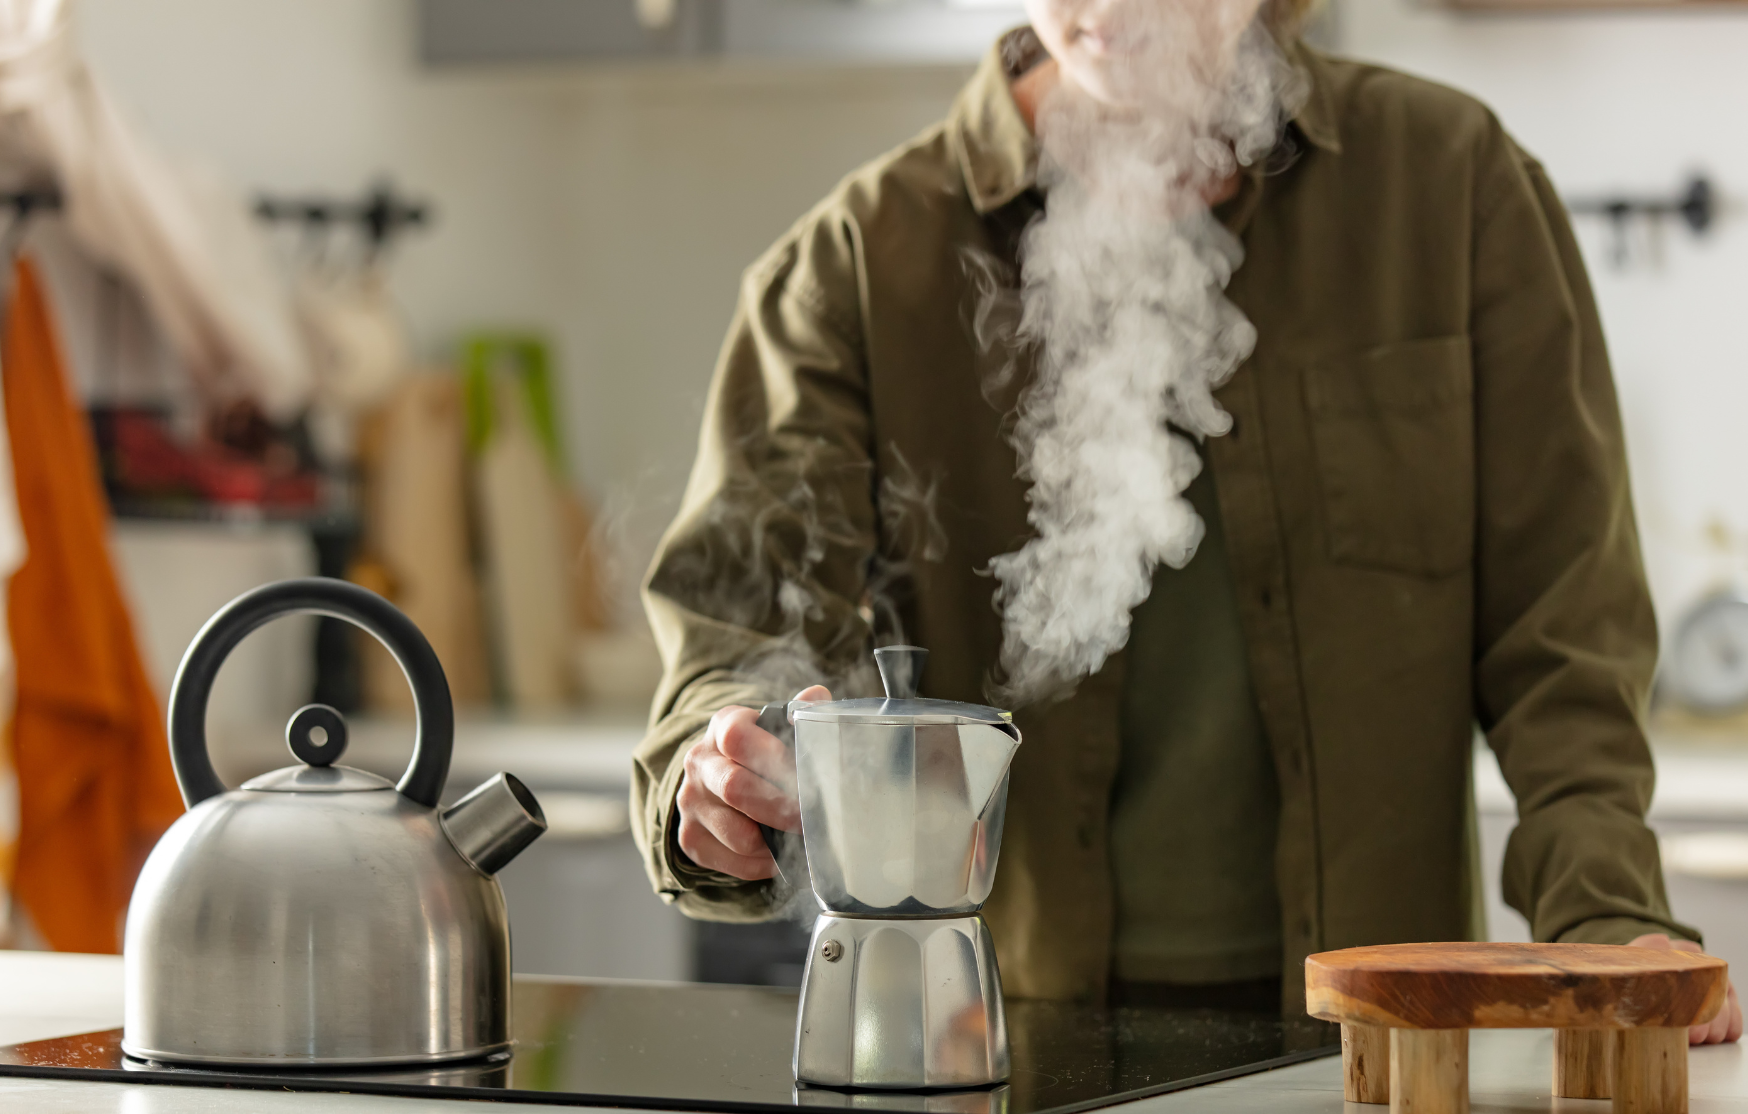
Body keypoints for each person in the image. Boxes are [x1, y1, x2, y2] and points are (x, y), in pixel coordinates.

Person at [630, 0, 1742, 1042]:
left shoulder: (1452, 191)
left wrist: (1604, 921)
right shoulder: (858, 264)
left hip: (1378, 1048)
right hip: (1007, 1051)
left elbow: (1564, 644)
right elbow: (733, 637)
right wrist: (722, 774)